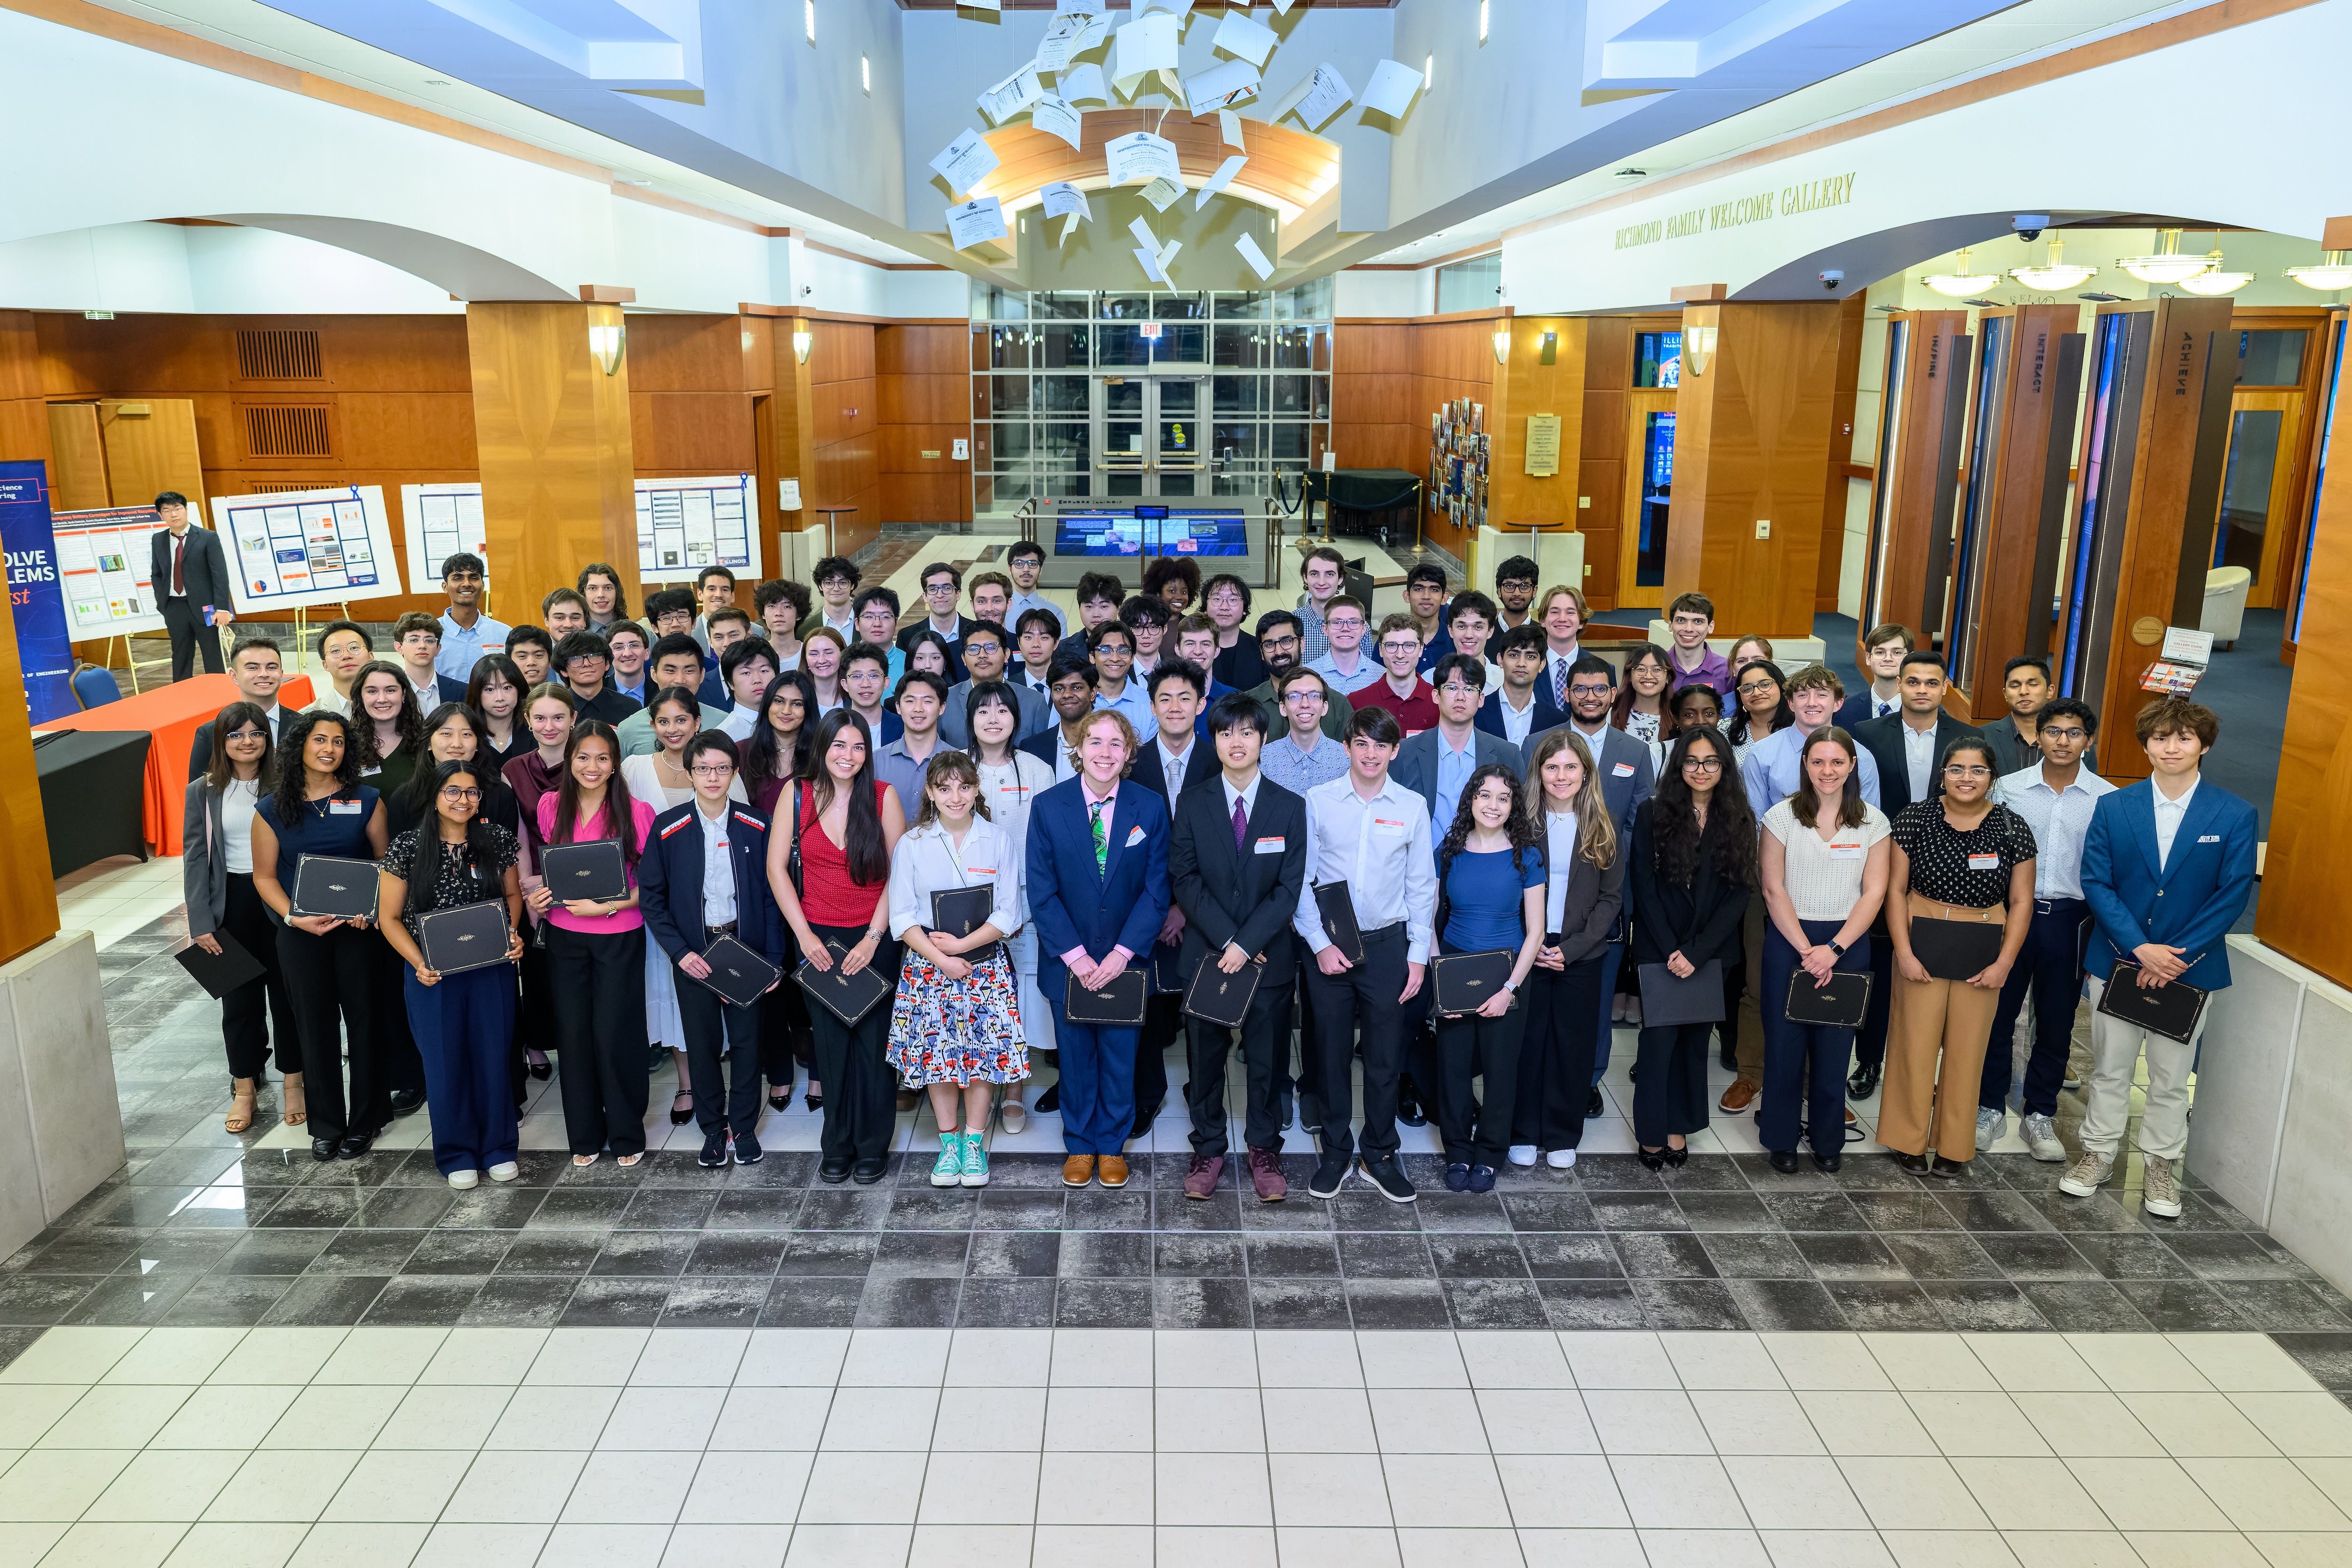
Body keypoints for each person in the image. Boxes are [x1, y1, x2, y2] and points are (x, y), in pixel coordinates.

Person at [2064, 698, 2257, 1218]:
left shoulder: (2234, 813)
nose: (2170, 748)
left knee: (2171, 1078)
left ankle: (2159, 1165)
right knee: (2109, 1068)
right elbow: (2096, 883)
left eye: (2183, 738)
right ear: (2144, 744)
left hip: (2188, 971)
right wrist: (2138, 949)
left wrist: (2175, 956)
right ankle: (2097, 1153)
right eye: (2159, 738)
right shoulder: (2113, 807)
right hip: (2118, 962)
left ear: (2204, 745)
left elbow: (2232, 892)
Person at [1295, 706, 1436, 1204]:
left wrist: (1417, 956)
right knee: (1330, 1056)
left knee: (1383, 1057)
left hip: (1387, 947)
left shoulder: (1412, 806)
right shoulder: (1318, 801)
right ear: (1347, 746)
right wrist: (1319, 944)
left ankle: (1378, 1153)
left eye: (1381, 745)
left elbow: (1421, 887)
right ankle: (1335, 1151)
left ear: (1395, 750)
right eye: (1361, 743)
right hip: (1330, 947)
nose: (1370, 754)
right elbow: (1301, 881)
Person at [1169, 691, 1306, 1202]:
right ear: (1215, 740)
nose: (1236, 741)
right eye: (1226, 732)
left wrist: (1247, 944)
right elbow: (1183, 878)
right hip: (1207, 957)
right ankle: (1207, 1147)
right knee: (1204, 1062)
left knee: (1268, 1062)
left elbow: (1288, 889)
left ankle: (1264, 1149)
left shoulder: (1289, 807)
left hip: (1267, 961)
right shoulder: (1193, 801)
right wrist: (1228, 940)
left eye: (1247, 731)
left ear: (1264, 739)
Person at [1026, 710, 1169, 1189]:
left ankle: (1111, 1145)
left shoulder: (1148, 807)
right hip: (1069, 962)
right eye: (1095, 742)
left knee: (1118, 1056)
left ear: (1128, 753)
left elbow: (1156, 890)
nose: (1104, 752)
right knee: (1075, 1057)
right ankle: (1079, 1145)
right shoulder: (1048, 807)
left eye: (1115, 744)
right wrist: (1077, 957)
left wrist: (1121, 954)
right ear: (1079, 748)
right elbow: (1041, 892)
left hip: (1125, 964)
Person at [1883, 735, 2036, 1176]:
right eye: (1956, 769)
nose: (1966, 778)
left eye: (1977, 770)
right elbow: (1895, 889)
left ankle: (1954, 1143)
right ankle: (1907, 1138)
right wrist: (1904, 952)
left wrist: (2004, 962)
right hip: (1921, 935)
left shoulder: (2012, 827)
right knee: (1914, 1044)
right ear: (1942, 774)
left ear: (1992, 777)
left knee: (1968, 1051)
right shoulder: (1915, 819)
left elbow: (2022, 902)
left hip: (1983, 944)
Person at [770, 711, 908, 1185]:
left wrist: (873, 938)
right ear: (821, 748)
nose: (847, 756)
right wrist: (804, 936)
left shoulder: (883, 797)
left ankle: (872, 1146)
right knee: (829, 1046)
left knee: (872, 1046)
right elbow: (776, 871)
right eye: (838, 746)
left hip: (874, 937)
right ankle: (837, 1143)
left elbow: (900, 875)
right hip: (817, 940)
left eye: (857, 747)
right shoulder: (796, 794)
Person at [638, 732, 785, 1169]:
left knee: (745, 1044)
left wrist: (774, 959)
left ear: (734, 772)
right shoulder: (668, 827)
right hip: (695, 953)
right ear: (690, 772)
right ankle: (712, 1131)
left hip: (744, 950)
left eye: (722, 768)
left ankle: (742, 1128)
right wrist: (680, 952)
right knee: (701, 1045)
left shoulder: (757, 824)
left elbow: (773, 896)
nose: (713, 776)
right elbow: (653, 898)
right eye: (704, 768)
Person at [377, 759, 525, 1188]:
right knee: (445, 1064)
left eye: (472, 791)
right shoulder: (407, 847)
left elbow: (513, 894)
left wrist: (512, 933)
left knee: (494, 1058)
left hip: (490, 970)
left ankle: (499, 1147)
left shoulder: (496, 840)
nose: (464, 799)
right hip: (433, 976)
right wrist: (418, 962)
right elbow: (389, 918)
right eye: (453, 791)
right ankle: (456, 1151)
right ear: (435, 796)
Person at [248, 710, 388, 1161]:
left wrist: (372, 910)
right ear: (300, 748)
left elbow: (386, 866)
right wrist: (294, 918)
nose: (330, 749)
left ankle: (366, 1120)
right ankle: (327, 1123)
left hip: (358, 932)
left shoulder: (367, 800)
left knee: (367, 1024)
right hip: (301, 934)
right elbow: (264, 877)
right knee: (314, 1026)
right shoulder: (271, 808)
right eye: (320, 740)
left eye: (339, 742)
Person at [887, 750, 1025, 1188]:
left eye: (964, 786)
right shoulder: (912, 843)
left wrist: (963, 947)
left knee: (985, 1053)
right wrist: (942, 958)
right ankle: (948, 1144)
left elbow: (1008, 912)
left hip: (984, 966)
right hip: (929, 967)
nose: (956, 796)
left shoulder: (998, 839)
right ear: (930, 792)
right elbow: (902, 916)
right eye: (944, 788)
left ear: (976, 788)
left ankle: (972, 1142)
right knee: (939, 1056)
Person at [1757, 727, 1890, 1174]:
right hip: (1788, 939)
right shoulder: (1780, 817)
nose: (1827, 771)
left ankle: (1828, 1138)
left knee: (1836, 1050)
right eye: (1818, 762)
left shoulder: (1873, 821)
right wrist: (1805, 949)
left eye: (1837, 762)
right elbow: (1773, 889)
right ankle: (1780, 1137)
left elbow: (1874, 893)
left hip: (1847, 944)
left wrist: (1832, 949)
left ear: (1852, 765)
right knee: (1784, 1046)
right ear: (1805, 765)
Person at [1983, 696, 2110, 1162]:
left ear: (2088, 740)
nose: (2062, 741)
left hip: (2070, 919)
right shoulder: (2006, 789)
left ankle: (2039, 1114)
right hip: (2010, 916)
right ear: (2037, 737)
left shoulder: (2106, 797)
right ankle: (1987, 1106)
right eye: (2053, 731)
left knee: (2055, 1025)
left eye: (2073, 733)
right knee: (1995, 1017)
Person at [530, 720, 658, 1168]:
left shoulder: (636, 811)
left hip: (619, 936)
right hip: (565, 937)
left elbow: (654, 887)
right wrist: (542, 895)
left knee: (615, 1034)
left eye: (603, 757)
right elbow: (553, 871)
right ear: (569, 760)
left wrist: (607, 907)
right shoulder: (550, 806)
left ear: (615, 763)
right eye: (583, 756)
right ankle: (584, 1134)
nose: (592, 766)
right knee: (575, 1035)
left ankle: (626, 1132)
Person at [1627, 727, 1755, 1169]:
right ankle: (1651, 1131)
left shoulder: (1740, 818)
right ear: (1678, 766)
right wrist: (1670, 950)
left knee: (1693, 1044)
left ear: (1724, 767)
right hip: (1659, 948)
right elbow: (1642, 886)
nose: (1701, 770)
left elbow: (1740, 893)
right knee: (1658, 1042)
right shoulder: (1652, 813)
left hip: (1711, 953)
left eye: (1711, 761)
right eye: (1692, 761)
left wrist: (1698, 953)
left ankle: (1678, 1126)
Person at [625, 684, 744, 1124]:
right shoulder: (634, 768)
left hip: (719, 911)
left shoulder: (720, 762)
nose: (673, 728)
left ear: (698, 722)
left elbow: (743, 834)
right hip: (663, 914)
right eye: (663, 720)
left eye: (682, 719)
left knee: (722, 997)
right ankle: (687, 1084)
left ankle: (723, 1084)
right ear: (652, 725)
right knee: (672, 995)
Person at [183, 701, 299, 1134]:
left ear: (268, 740)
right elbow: (195, 857)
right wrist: (200, 922)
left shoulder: (287, 784)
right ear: (221, 742)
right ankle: (245, 1088)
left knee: (287, 998)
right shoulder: (204, 789)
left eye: (255, 733)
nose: (246, 741)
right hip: (228, 902)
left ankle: (294, 1081)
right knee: (239, 1004)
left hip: (278, 898)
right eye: (235, 734)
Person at [1508, 729, 1621, 1168]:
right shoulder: (1522, 823)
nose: (1561, 775)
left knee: (1571, 1045)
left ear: (1585, 772)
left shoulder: (1602, 823)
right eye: (1552, 766)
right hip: (1528, 948)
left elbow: (1611, 899)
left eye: (1570, 767)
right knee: (1527, 1041)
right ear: (1538, 771)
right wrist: (1529, 943)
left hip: (1580, 952)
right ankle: (1524, 1129)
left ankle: (1560, 1133)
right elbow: (1510, 889)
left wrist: (1572, 949)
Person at [1430, 765, 1546, 1193]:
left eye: (1503, 797)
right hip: (1457, 967)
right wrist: (1442, 976)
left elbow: (1536, 931)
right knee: (1454, 1067)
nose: (1493, 805)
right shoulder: (1450, 849)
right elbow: (1430, 916)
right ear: (1470, 801)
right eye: (1484, 795)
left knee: (1501, 1070)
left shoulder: (1527, 854)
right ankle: (1458, 1149)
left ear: (1513, 805)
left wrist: (1510, 988)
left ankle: (1491, 1152)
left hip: (1507, 970)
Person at [1128, 661, 1217, 1134]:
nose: (1175, 707)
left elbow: (1226, 846)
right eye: (1165, 699)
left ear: (1201, 705)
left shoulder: (1220, 759)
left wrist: (1185, 907)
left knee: (1203, 1008)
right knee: (1144, 1010)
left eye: (1185, 698)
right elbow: (1131, 846)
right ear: (1152, 707)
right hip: (1145, 904)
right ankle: (1147, 1095)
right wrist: (1160, 905)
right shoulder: (1131, 763)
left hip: (1205, 909)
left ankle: (1203, 1094)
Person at [967, 680, 1057, 1134]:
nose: (994, 719)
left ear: (1016, 720)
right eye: (984, 711)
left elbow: (1053, 842)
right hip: (969, 905)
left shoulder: (1038, 770)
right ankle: (978, 1085)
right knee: (977, 996)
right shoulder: (958, 769)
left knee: (1019, 997)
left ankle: (1016, 1089)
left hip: (1027, 900)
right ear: (971, 720)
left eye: (1003, 710)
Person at [739, 670, 821, 1111]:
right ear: (766, 704)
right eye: (779, 701)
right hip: (757, 882)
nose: (787, 710)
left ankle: (820, 1074)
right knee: (770, 979)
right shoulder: (742, 755)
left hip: (813, 883)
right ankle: (780, 1073)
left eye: (797, 703)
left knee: (814, 975)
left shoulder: (822, 757)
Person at [503, 683, 575, 1082]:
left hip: (584, 877)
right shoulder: (513, 769)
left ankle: (577, 1041)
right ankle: (535, 1042)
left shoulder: (590, 760)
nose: (551, 726)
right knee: (536, 967)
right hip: (534, 881)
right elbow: (517, 835)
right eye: (542, 718)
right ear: (528, 721)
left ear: (573, 720)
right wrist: (529, 885)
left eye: (559, 717)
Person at [1395, 653, 1523, 830]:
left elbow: (1519, 817)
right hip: (1423, 855)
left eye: (1470, 689)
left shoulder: (1507, 754)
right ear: (1436, 696)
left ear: (1481, 699)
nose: (1460, 697)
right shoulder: (1404, 752)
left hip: (1484, 855)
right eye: (1451, 688)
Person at [151, 492, 234, 678]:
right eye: (168, 511)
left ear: (186, 510)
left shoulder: (207, 537)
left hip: (206, 607)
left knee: (212, 654)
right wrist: (162, 603)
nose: (174, 514)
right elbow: (157, 573)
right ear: (161, 515)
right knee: (180, 654)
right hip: (174, 606)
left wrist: (222, 608)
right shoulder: (158, 539)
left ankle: (218, 694)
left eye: (178, 509)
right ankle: (182, 697)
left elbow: (220, 575)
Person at [187, 636, 289, 778]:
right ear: (235, 676)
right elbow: (198, 792)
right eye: (253, 668)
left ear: (282, 674)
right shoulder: (210, 733)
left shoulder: (304, 726)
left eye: (271, 667)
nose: (264, 674)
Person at [1980, 654, 2099, 776]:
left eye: (2033, 685)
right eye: (2015, 686)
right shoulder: (1982, 736)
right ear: (2005, 694)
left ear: (2050, 691)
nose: (2023, 692)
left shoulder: (2077, 739)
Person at [1244, 611, 1353, 740]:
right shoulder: (1247, 706)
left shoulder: (1337, 705)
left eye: (1286, 641)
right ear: (1262, 653)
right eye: (1269, 645)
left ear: (1302, 644)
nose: (1279, 651)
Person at [941, 621, 1049, 748]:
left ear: (1006, 655)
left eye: (991, 647)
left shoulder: (1034, 702)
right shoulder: (945, 699)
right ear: (964, 659)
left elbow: (1041, 753)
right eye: (974, 649)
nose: (982, 655)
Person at [619, 636, 722, 758]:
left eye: (689, 671)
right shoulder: (629, 729)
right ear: (654, 674)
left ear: (702, 675)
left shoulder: (724, 723)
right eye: (670, 671)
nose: (679, 680)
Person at [1260, 668, 1350, 797]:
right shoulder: (1264, 760)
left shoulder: (1347, 759)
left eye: (1314, 696)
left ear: (1325, 707)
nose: (1305, 704)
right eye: (1295, 696)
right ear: (1283, 708)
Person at [876, 669, 954, 808]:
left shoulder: (958, 761)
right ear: (898, 707)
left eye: (927, 701)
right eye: (910, 701)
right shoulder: (876, 762)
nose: (918, 709)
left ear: (942, 708)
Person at [1478, 624, 1565, 749]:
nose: (1521, 664)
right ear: (1500, 660)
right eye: (1514, 655)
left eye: (1531, 657)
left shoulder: (1557, 722)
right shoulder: (1477, 711)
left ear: (1542, 665)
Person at [350, 659, 426, 797]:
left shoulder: (427, 742)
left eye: (390, 690)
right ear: (361, 696)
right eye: (372, 691)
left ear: (403, 694)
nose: (382, 699)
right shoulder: (346, 744)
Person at [1356, 614, 1439, 736]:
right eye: (1391, 645)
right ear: (1380, 650)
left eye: (1409, 646)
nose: (1400, 654)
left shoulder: (1440, 703)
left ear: (1421, 649)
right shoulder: (1357, 702)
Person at [1020, 657, 1099, 784]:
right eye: (1059, 689)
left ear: (1093, 693)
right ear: (1051, 694)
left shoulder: (1113, 742)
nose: (1067, 695)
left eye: (1077, 688)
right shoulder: (1032, 748)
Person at [435, 552, 510, 681]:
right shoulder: (431, 635)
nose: (466, 584)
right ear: (445, 587)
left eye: (474, 578)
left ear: (483, 586)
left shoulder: (505, 634)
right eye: (458, 578)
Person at [898, 561, 977, 681]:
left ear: (958, 594)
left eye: (947, 588)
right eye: (933, 589)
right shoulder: (907, 636)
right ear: (925, 596)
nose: (940, 595)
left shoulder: (976, 632)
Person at [1613, 644, 1678, 773]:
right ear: (1630, 675)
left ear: (1668, 677)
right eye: (1641, 669)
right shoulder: (1611, 716)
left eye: (1657, 670)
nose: (1648, 676)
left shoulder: (1678, 720)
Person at [554, 630, 641, 726]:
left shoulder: (630, 708)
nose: (587, 664)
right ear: (563, 670)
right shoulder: (553, 709)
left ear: (607, 664)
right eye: (576, 658)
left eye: (594, 656)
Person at [1835, 623, 1911, 729]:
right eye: (1880, 652)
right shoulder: (1845, 710)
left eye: (1897, 653)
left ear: (1910, 658)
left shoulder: (1924, 711)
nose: (1888, 658)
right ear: (1868, 658)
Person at [466, 654, 531, 772]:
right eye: (489, 690)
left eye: (507, 688)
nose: (500, 698)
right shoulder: (467, 734)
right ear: (477, 693)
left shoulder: (534, 731)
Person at [1304, 595, 1381, 696]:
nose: (1345, 628)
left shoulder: (1381, 676)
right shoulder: (1307, 676)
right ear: (1325, 629)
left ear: (1364, 629)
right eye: (1337, 622)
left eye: (1353, 622)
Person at [1204, 573, 1266, 692]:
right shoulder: (1195, 649)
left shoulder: (1260, 649)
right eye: (1217, 599)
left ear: (1244, 608)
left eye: (1233, 600)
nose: (1224, 607)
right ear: (1206, 607)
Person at [1085, 620, 1150, 732]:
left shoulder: (1148, 703)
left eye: (1123, 651)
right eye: (1105, 650)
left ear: (1132, 658)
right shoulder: (1078, 699)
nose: (1115, 659)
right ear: (1092, 657)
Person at [392, 613, 467, 708]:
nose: (422, 646)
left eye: (429, 641)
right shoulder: (392, 691)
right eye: (414, 640)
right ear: (399, 647)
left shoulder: (461, 691)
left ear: (438, 649)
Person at [1661, 591, 1731, 694]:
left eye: (1698, 622)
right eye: (1681, 621)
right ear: (1670, 625)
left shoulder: (1727, 672)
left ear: (1710, 627)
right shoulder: (1657, 666)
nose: (1689, 629)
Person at [715, 640, 779, 743]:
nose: (757, 680)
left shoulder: (789, 722)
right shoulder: (725, 736)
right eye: (746, 673)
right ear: (731, 683)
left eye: (764, 671)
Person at [306, 621, 373, 719]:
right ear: (325, 665)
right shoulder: (309, 717)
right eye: (336, 651)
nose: (346, 656)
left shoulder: (395, 706)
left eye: (354, 648)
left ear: (371, 657)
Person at [1727, 659, 1789, 763]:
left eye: (1765, 685)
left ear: (1781, 686)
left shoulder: (1799, 728)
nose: (1756, 693)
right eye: (1747, 689)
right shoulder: (1725, 729)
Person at [1057, 572, 1127, 663]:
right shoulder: (1064, 649)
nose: (1096, 614)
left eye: (1104, 607)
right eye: (1089, 607)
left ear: (1119, 608)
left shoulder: (1131, 646)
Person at [1534, 585, 1588, 706]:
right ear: (1543, 620)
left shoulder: (1604, 669)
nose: (1562, 619)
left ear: (1582, 622)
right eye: (1555, 612)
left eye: (1570, 612)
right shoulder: (1527, 666)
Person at [1443, 592, 1504, 695]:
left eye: (1478, 627)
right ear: (1451, 630)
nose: (1469, 635)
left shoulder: (1504, 680)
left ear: (1490, 632)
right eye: (1462, 627)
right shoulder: (1430, 680)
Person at [842, 642, 901, 745]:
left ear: (886, 682)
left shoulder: (903, 727)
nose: (865, 684)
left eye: (873, 676)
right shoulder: (834, 728)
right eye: (857, 676)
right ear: (845, 685)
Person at [1295, 545, 1346, 663]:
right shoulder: (1291, 624)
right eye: (1314, 574)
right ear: (1305, 577)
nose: (1321, 582)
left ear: (1340, 579)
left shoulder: (1357, 626)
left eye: (1329, 574)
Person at [851, 590, 908, 691]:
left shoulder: (910, 663)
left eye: (885, 617)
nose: (877, 624)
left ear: (896, 623)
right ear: (857, 623)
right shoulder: (844, 662)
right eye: (869, 616)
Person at [1004, 541, 1062, 640]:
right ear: (1010, 569)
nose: (1026, 569)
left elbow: (1060, 652)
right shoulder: (999, 611)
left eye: (1033, 564)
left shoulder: (1055, 613)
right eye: (1019, 564)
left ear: (1041, 569)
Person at [1405, 564, 1453, 670]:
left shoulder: (1456, 639)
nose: (1426, 596)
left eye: (1434, 590)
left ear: (1444, 598)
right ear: (1407, 596)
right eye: (1419, 589)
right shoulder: (1391, 638)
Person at [801, 556, 860, 641]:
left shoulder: (867, 622)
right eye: (829, 583)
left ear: (853, 586)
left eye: (843, 583)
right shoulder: (804, 629)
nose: (836, 588)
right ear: (820, 586)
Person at [754, 580, 808, 664]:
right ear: (763, 614)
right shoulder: (754, 656)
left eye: (787, 607)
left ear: (798, 615)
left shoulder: (810, 653)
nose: (779, 613)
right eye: (772, 606)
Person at [1119, 595, 1171, 683]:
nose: (1146, 635)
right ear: (1127, 630)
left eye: (1153, 627)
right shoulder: (1118, 671)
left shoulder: (1176, 671)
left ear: (1165, 628)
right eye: (1138, 628)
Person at [1012, 609, 1061, 700]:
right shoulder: (1009, 687)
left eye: (1044, 637)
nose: (1036, 644)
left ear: (1056, 644)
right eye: (1028, 637)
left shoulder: (1067, 685)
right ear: (1019, 643)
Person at [691, 565, 740, 653]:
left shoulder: (755, 631)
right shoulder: (688, 633)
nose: (718, 595)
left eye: (725, 590)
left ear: (733, 596)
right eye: (712, 589)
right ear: (700, 594)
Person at [606, 621, 653, 708]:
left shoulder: (661, 690)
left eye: (634, 645)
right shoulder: (597, 692)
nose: (627, 654)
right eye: (619, 647)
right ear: (608, 656)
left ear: (647, 654)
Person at [803, 628, 847, 716]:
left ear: (842, 654)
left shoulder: (855, 695)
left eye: (829, 653)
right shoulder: (798, 697)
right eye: (814, 654)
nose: (822, 661)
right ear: (806, 659)